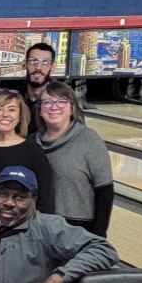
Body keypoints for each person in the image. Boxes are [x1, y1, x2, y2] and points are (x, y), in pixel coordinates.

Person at [37, 81, 114, 236]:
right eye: (47, 102)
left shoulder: (89, 139)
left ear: (72, 108)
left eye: (62, 101)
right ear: (39, 110)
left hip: (79, 229)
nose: (54, 107)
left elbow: (105, 191)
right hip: (39, 227)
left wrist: (98, 236)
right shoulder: (32, 143)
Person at [0, 90, 54, 215]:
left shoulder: (33, 151)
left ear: (20, 116)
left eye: (12, 110)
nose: (5, 114)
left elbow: (45, 198)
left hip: (22, 224)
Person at [23, 43, 56, 121]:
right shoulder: (14, 96)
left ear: (53, 67)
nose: (38, 67)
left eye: (45, 63)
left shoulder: (61, 100)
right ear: (25, 65)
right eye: (33, 62)